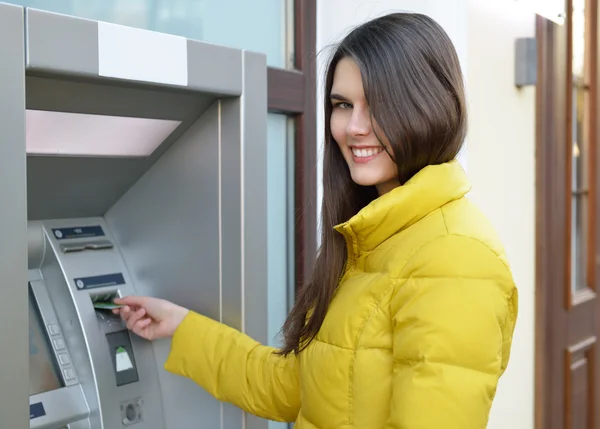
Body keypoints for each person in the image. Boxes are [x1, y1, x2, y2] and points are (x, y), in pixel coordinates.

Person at [114, 12, 518, 429]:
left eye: (378, 105)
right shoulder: (371, 238)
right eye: (343, 105)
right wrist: (181, 327)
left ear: (430, 107)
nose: (354, 127)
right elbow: (294, 388)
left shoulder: (455, 258)